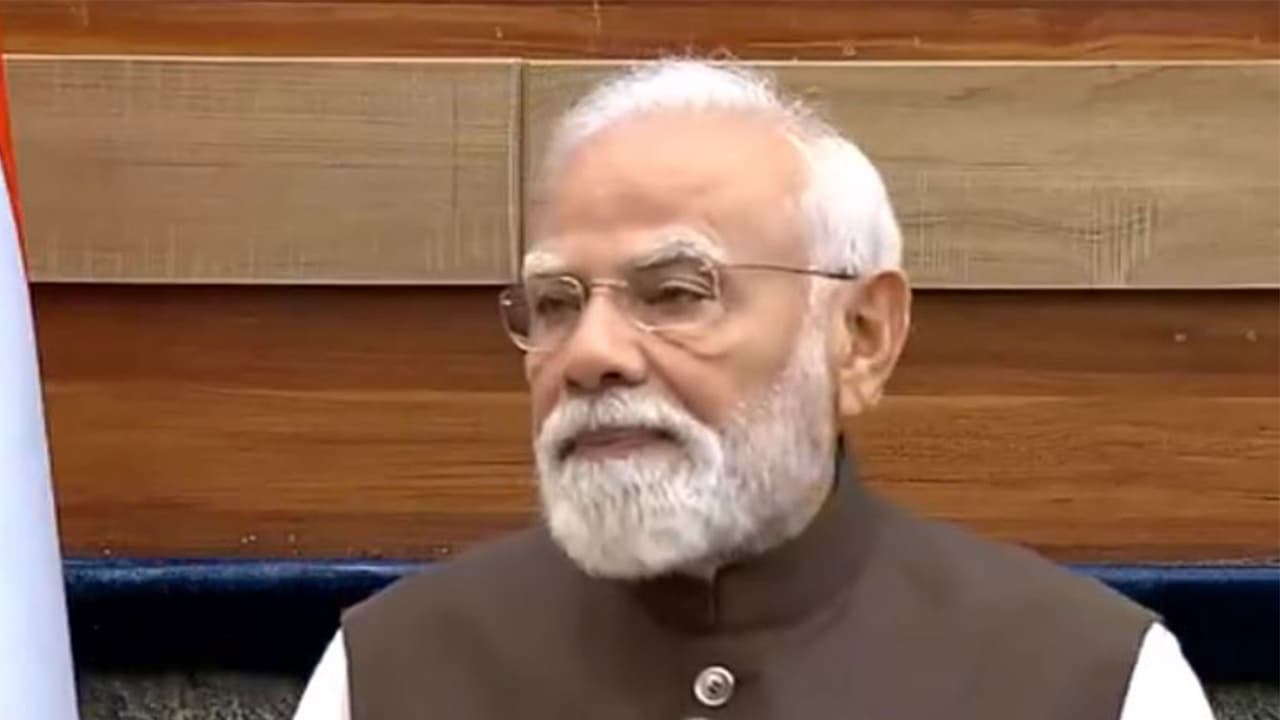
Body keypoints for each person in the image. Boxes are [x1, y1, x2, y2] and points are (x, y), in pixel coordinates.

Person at [293, 60, 1213, 720]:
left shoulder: (1090, 681)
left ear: (861, 338)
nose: (589, 354)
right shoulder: (387, 676)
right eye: (556, 303)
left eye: (676, 294)